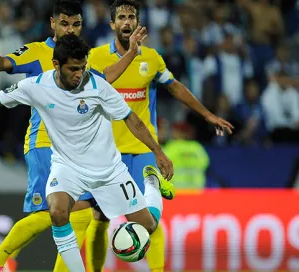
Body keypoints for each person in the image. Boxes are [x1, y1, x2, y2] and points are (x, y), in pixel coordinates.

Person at [0, 33, 174, 272]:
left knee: (148, 226)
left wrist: (158, 153)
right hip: (67, 168)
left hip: (108, 171)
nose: (79, 74)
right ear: (56, 65)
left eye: (82, 67)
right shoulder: (37, 86)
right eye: (73, 69)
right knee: (57, 212)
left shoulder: (97, 85)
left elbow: (132, 120)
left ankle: (151, 182)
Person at [0, 0, 147, 271]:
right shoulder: (36, 52)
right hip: (45, 143)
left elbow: (103, 79)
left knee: (87, 214)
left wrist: (130, 54)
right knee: (58, 213)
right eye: (64, 23)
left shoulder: (78, 56)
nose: (70, 29)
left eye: (76, 24)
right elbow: (0, 65)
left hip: (77, 152)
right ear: (53, 23)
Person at [85, 1, 234, 271]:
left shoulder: (152, 58)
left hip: (143, 149)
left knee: (148, 221)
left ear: (139, 23)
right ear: (112, 24)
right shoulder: (95, 57)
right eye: (121, 17)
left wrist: (207, 114)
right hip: (107, 153)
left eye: (132, 16)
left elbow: (175, 87)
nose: (127, 22)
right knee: (99, 216)